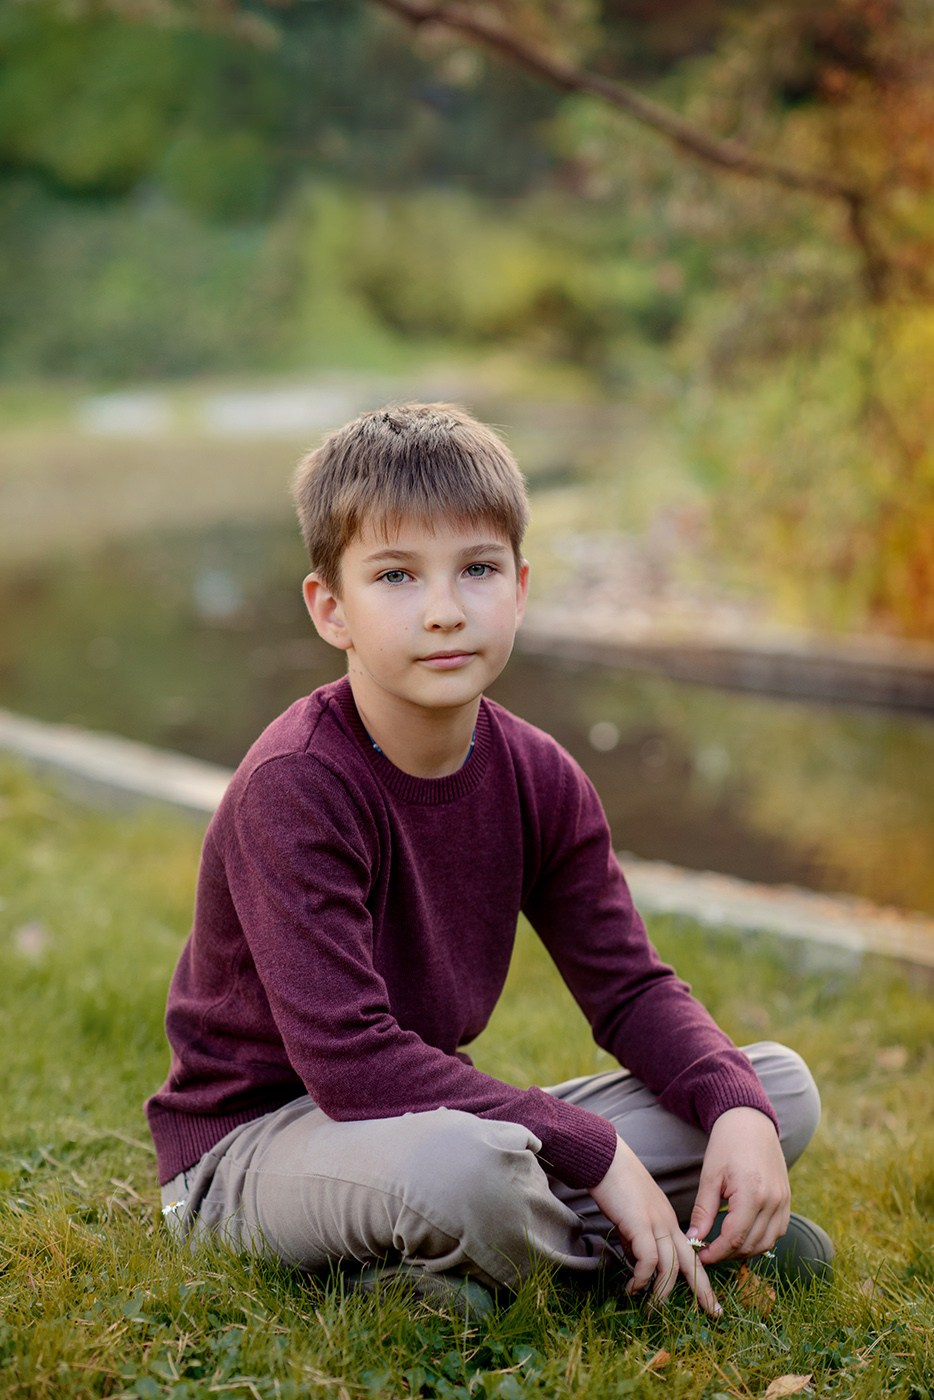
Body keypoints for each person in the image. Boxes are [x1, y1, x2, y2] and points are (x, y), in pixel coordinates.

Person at [146, 402, 832, 1319]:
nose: (444, 611)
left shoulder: (539, 775)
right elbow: (350, 1063)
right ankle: (648, 1265)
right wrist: (595, 1150)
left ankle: (480, 1269)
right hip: (252, 1150)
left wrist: (733, 1106)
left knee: (775, 1089)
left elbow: (630, 989)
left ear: (519, 588)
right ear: (330, 609)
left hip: (416, 1120)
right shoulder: (297, 784)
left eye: (477, 569)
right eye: (396, 576)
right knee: (469, 1170)